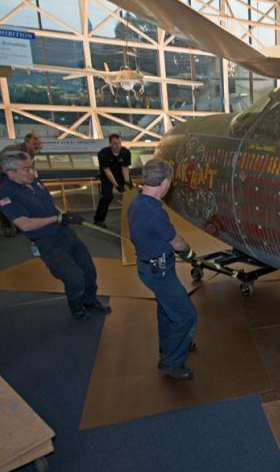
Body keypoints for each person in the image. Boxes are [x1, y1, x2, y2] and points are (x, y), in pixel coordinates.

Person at [0, 151, 111, 320]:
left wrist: (65, 214)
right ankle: (77, 307)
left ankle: (90, 301)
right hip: (47, 241)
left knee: (88, 269)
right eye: (26, 168)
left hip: (65, 233)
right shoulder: (6, 193)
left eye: (32, 166)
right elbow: (24, 224)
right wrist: (57, 218)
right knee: (74, 278)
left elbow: (50, 204)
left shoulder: (34, 181)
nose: (31, 171)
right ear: (10, 172)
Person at [128, 158, 197, 380]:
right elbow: (176, 242)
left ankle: (169, 344)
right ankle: (171, 361)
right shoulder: (156, 213)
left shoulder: (137, 202)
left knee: (166, 308)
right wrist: (188, 252)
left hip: (151, 267)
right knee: (186, 315)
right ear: (165, 182)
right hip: (159, 272)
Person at [1, 133, 43, 237]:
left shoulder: (30, 152)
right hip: (4, 175)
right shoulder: (18, 152)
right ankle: (7, 228)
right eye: (34, 143)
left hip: (13, 176)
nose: (37, 146)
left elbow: (28, 169)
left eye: (38, 143)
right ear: (27, 142)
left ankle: (18, 225)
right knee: (5, 201)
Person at [94, 133, 132, 229]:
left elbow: (125, 167)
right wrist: (116, 185)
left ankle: (133, 218)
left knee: (130, 192)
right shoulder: (103, 153)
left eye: (119, 143)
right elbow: (107, 171)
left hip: (120, 174)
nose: (118, 145)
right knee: (107, 196)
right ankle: (98, 219)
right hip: (107, 175)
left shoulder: (126, 152)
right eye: (115, 143)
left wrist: (127, 181)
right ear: (110, 144)